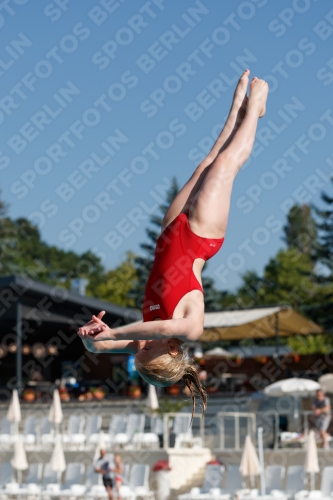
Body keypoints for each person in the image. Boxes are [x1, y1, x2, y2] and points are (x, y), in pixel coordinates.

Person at [77, 71, 269, 416]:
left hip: (168, 234)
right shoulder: (188, 327)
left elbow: (98, 348)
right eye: (146, 348)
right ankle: (255, 109)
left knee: (206, 162)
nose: (140, 344)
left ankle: (237, 113)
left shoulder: (149, 340)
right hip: (200, 236)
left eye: (139, 349)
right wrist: (113, 333)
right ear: (170, 349)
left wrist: (93, 336)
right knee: (225, 165)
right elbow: (160, 327)